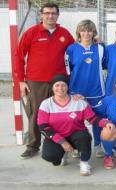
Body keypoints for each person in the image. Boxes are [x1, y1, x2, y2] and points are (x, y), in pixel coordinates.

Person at [14, 3, 74, 159]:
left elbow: (76, 52)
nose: (50, 16)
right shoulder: (32, 33)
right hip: (36, 81)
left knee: (61, 113)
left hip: (59, 83)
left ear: (58, 15)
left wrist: (94, 42)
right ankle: (33, 145)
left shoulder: (65, 34)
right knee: (35, 114)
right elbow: (19, 57)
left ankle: (62, 143)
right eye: (47, 13)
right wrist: (20, 80)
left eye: (53, 13)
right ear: (41, 15)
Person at [37, 74, 109, 176]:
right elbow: (43, 127)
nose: (60, 88)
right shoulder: (46, 104)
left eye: (63, 85)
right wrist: (62, 142)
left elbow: (92, 118)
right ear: (52, 87)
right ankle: (62, 154)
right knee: (50, 156)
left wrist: (105, 123)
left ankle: (84, 163)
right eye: (57, 85)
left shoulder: (78, 102)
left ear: (67, 87)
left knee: (84, 137)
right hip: (57, 136)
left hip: (76, 134)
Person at [65, 19, 105, 158]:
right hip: (77, 91)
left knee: (97, 120)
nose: (87, 33)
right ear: (78, 32)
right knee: (75, 121)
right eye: (83, 30)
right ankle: (76, 146)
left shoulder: (100, 48)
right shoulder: (71, 49)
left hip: (97, 91)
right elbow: (67, 70)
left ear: (94, 32)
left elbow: (106, 65)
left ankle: (98, 145)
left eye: (89, 30)